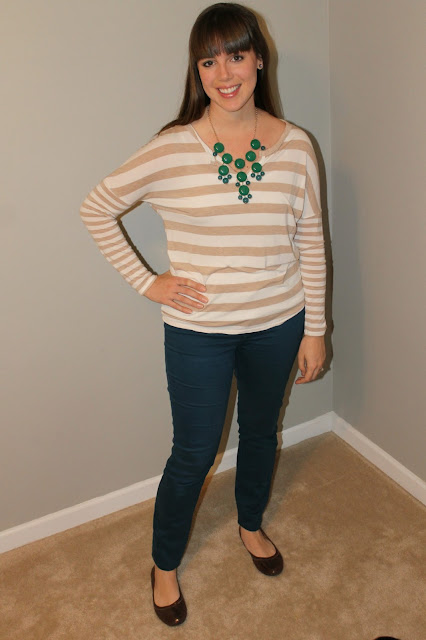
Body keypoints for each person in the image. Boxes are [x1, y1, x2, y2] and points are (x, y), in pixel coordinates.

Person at [79, 2, 326, 627]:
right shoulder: (171, 149)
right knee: (193, 454)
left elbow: (311, 238)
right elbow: (96, 208)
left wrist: (316, 329)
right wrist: (149, 283)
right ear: (197, 71)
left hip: (279, 323)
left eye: (235, 55)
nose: (223, 73)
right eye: (208, 61)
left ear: (259, 59)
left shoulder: (297, 146)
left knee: (262, 434)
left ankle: (250, 523)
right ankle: (164, 563)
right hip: (199, 334)